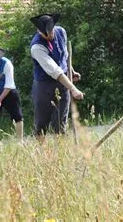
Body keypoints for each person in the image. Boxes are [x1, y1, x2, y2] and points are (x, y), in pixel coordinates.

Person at [29, 13, 84, 142]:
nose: (50, 35)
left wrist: (71, 71)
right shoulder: (36, 47)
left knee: (60, 123)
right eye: (46, 34)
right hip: (44, 86)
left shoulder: (61, 32)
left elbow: (63, 56)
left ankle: (60, 153)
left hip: (62, 83)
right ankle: (41, 154)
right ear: (39, 31)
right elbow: (54, 70)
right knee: (41, 124)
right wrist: (73, 89)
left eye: (51, 31)